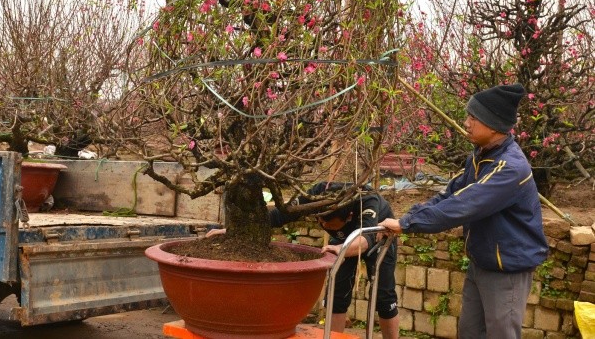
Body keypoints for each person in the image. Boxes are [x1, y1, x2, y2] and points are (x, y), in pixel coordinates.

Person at [380, 83, 548, 339]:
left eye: (473, 117)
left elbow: (464, 205)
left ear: (493, 124)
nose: (466, 123)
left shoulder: (510, 168)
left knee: (501, 335)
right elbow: (450, 194)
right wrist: (409, 217)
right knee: (469, 332)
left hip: (508, 270)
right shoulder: (481, 156)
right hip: (482, 262)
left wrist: (407, 224)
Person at [209, 182, 400, 338]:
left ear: (349, 216)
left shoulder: (367, 200)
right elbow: (278, 216)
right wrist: (233, 232)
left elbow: (364, 241)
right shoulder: (315, 195)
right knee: (337, 294)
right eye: (320, 221)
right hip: (342, 241)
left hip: (377, 239)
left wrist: (339, 248)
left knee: (384, 296)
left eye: (328, 223)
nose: (323, 225)